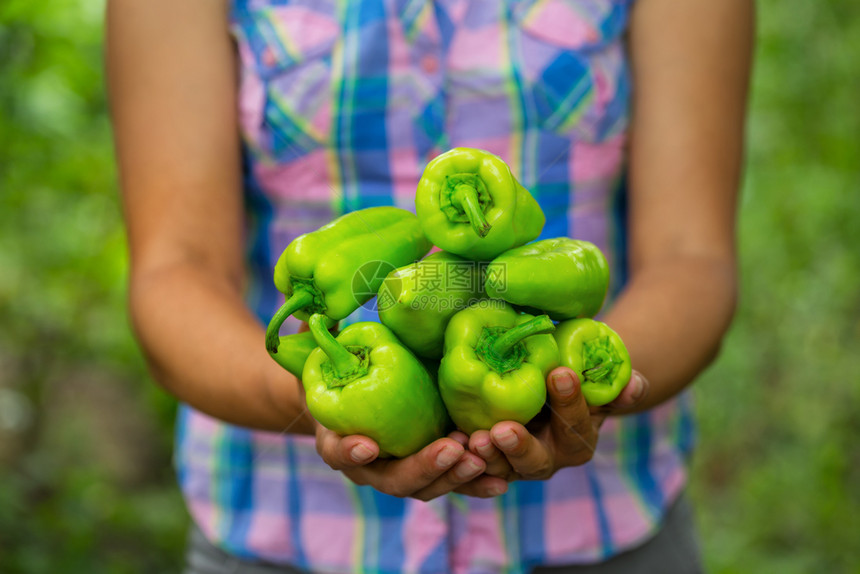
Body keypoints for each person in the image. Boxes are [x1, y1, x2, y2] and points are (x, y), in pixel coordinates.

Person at [107, 0, 752, 572]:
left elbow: (691, 256)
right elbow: (175, 269)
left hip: (606, 530)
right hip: (281, 536)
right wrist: (311, 398)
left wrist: (585, 385)